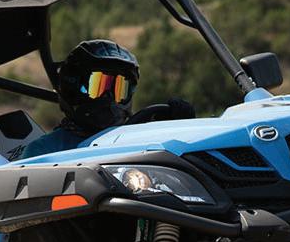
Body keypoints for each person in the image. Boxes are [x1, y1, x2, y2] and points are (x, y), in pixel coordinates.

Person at [19, 39, 194, 159]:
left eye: (119, 88)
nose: (109, 97)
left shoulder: (138, 136)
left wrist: (180, 131)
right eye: (99, 86)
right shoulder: (44, 151)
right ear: (72, 86)